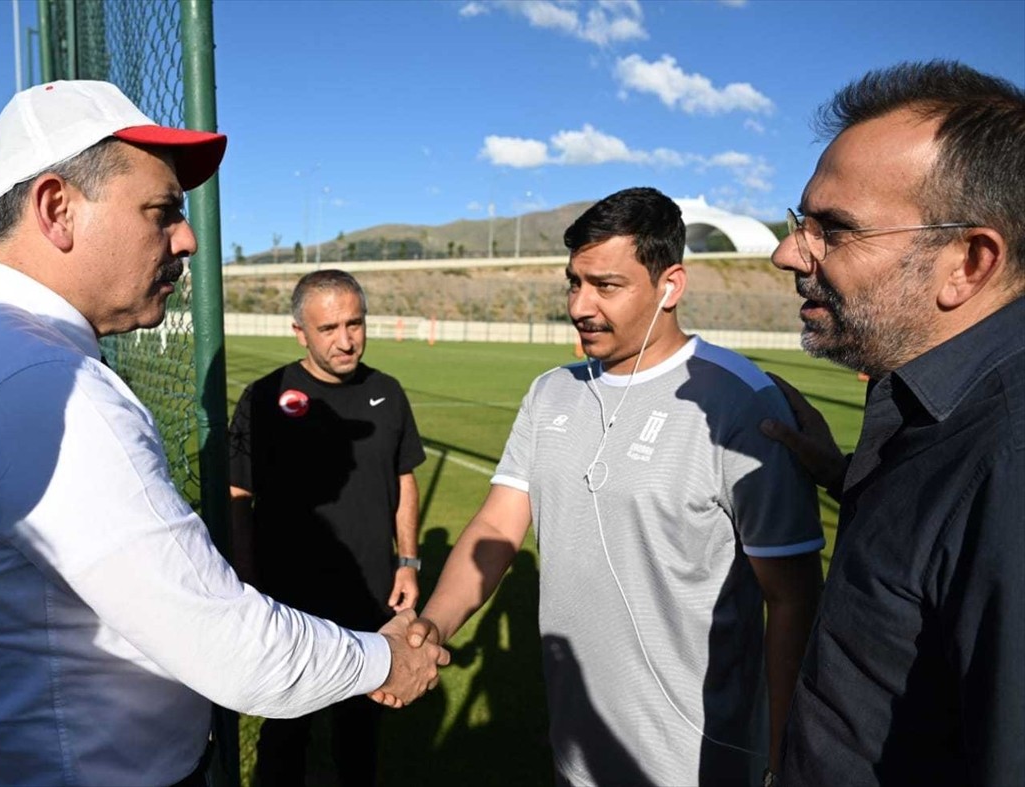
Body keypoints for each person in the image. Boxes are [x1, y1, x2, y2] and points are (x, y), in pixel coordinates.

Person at [0, 80, 447, 787]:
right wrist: (386, 659)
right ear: (57, 209)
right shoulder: (42, 385)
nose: (188, 238)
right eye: (163, 211)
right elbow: (228, 645)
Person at [391, 186, 825, 786]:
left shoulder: (739, 402)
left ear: (670, 286)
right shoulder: (551, 392)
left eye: (606, 285)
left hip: (701, 762)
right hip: (577, 752)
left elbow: (793, 596)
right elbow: (497, 526)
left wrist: (788, 757)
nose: (580, 305)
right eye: (574, 282)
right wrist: (433, 627)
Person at [760, 60, 1024, 786]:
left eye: (835, 230)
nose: (787, 253)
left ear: (968, 263)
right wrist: (843, 475)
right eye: (800, 222)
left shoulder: (1009, 459)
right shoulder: (932, 408)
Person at [229, 269, 426, 786]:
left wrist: (407, 561)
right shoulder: (264, 397)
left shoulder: (387, 392)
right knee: (285, 732)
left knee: (360, 734)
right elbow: (238, 496)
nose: (346, 340)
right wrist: (246, 576)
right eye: (329, 328)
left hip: (369, 594)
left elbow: (404, 478)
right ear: (300, 332)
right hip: (289, 598)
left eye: (354, 324)